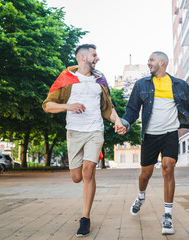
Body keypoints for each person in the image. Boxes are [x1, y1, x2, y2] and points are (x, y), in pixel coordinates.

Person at [42, 44, 126, 237]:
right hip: (74, 132)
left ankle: (85, 218)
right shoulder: (66, 78)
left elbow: (108, 108)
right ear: (82, 57)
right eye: (94, 55)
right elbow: (47, 106)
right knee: (76, 177)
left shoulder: (101, 80)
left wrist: (118, 121)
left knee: (89, 172)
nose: (97, 58)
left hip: (95, 130)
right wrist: (68, 106)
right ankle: (85, 208)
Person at [120, 51, 189, 235]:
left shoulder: (179, 85)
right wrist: (124, 123)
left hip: (169, 134)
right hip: (150, 135)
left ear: (162, 63)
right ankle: (141, 196)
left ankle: (167, 215)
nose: (148, 62)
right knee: (145, 174)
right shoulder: (142, 84)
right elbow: (132, 109)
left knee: (168, 167)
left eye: (151, 60)